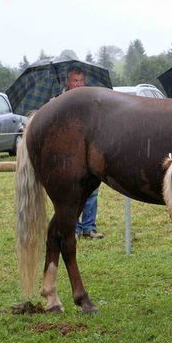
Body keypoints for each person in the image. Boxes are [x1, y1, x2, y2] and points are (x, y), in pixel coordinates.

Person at [64, 66, 104, 240]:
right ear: (68, 82)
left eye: (81, 80)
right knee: (71, 192)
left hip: (87, 152)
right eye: (75, 80)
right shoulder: (60, 102)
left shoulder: (89, 101)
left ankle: (88, 227)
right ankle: (74, 228)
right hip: (68, 153)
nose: (79, 84)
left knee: (91, 190)